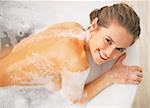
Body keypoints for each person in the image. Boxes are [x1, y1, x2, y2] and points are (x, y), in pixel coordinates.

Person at [0, 3, 143, 105]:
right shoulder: (77, 60)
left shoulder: (72, 27)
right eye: (108, 40)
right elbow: (76, 100)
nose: (109, 53)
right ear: (94, 25)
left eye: (120, 49)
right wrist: (110, 76)